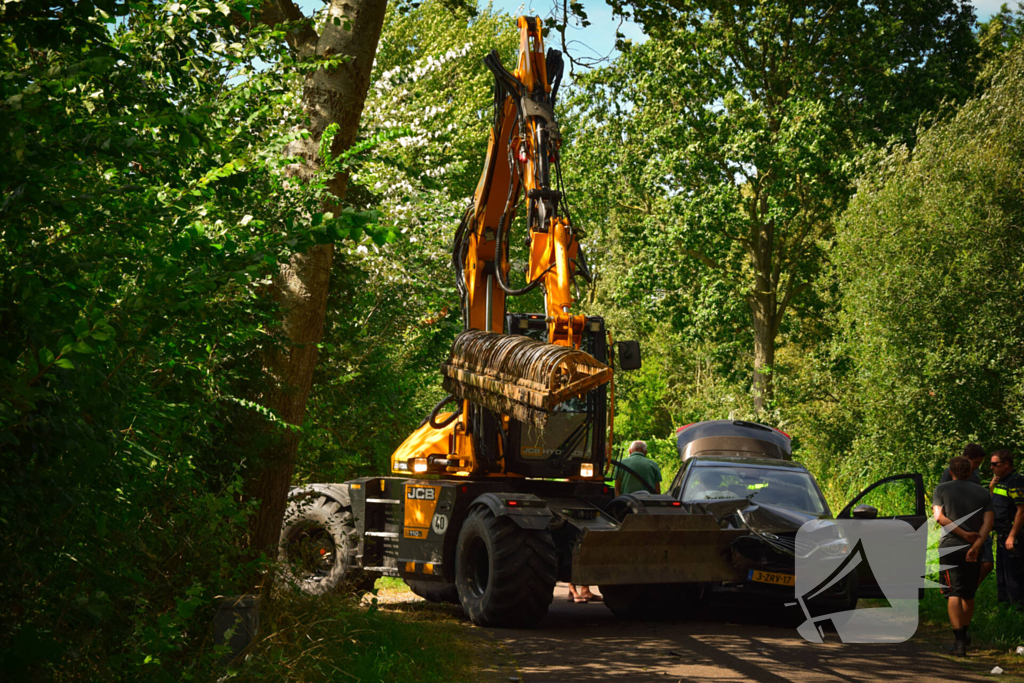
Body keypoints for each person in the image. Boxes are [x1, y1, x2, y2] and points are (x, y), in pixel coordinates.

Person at [933, 455, 994, 656]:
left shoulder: (941, 489)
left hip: (950, 547)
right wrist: (975, 544)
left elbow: (939, 517)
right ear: (970, 472)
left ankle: (959, 641)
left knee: (954, 593)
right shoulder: (983, 492)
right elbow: (988, 523)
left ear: (951, 472)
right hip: (974, 550)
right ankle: (965, 635)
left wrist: (962, 534)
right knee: (969, 593)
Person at [940, 444, 994, 585]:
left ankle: (968, 590)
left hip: (979, 524)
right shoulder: (949, 474)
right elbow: (943, 505)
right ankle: (962, 591)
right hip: (958, 527)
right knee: (959, 569)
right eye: (976, 463)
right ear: (967, 458)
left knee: (987, 564)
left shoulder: (975, 474)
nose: (977, 466)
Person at [988, 449, 1024, 607]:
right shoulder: (999, 481)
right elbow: (996, 504)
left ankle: (1018, 611)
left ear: (1006, 464)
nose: (992, 467)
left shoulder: (1016, 481)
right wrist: (991, 488)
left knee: (1014, 578)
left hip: (1013, 538)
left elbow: (1021, 510)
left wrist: (1012, 535)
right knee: (1002, 576)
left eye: (995, 464)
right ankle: (1004, 608)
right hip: (1001, 536)